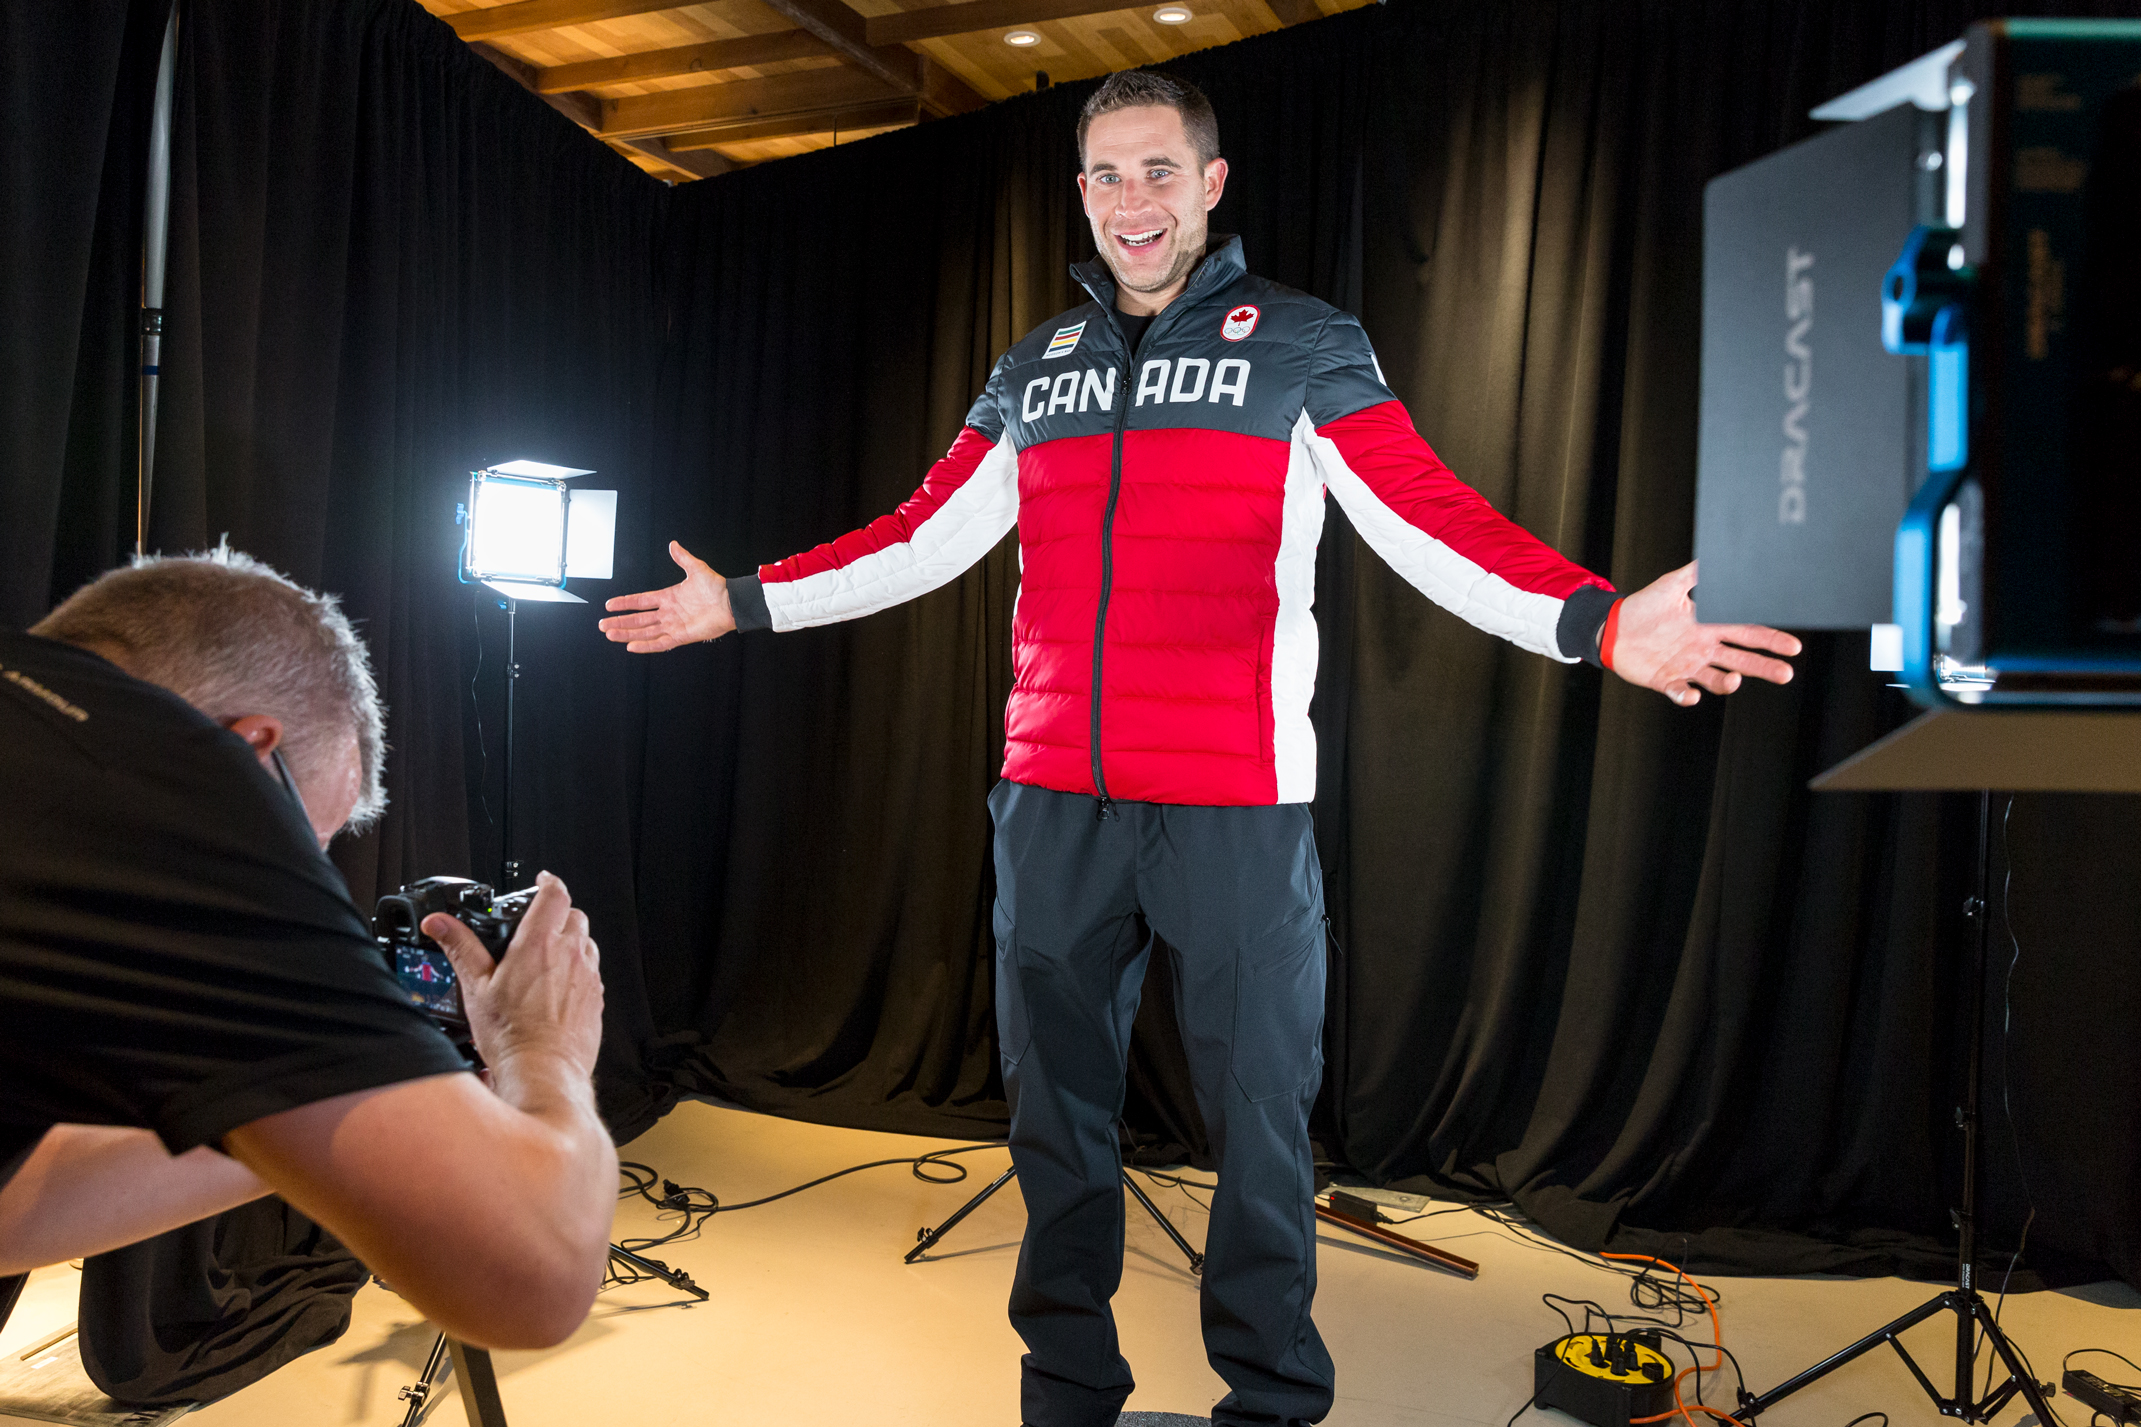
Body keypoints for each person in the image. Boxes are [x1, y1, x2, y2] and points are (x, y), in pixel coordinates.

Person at [598, 71, 1800, 1427]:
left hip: (1234, 804)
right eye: (1106, 176)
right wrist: (739, 598)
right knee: (1055, 1123)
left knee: (1261, 1129)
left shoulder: (1299, 342)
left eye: (1159, 171)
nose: (1133, 203)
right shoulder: (1033, 366)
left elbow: (1424, 513)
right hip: (1051, 802)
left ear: (1212, 182)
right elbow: (919, 535)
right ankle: (1065, 1385)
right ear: (1081, 195)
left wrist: (1593, 619)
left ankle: (1271, 1398)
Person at [0, 550, 618, 1352]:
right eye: (302, 847)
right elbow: (538, 1276)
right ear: (250, 751)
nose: (304, 875)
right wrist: (545, 1047)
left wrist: (339, 1111)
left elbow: (13, 1205)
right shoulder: (170, 788)